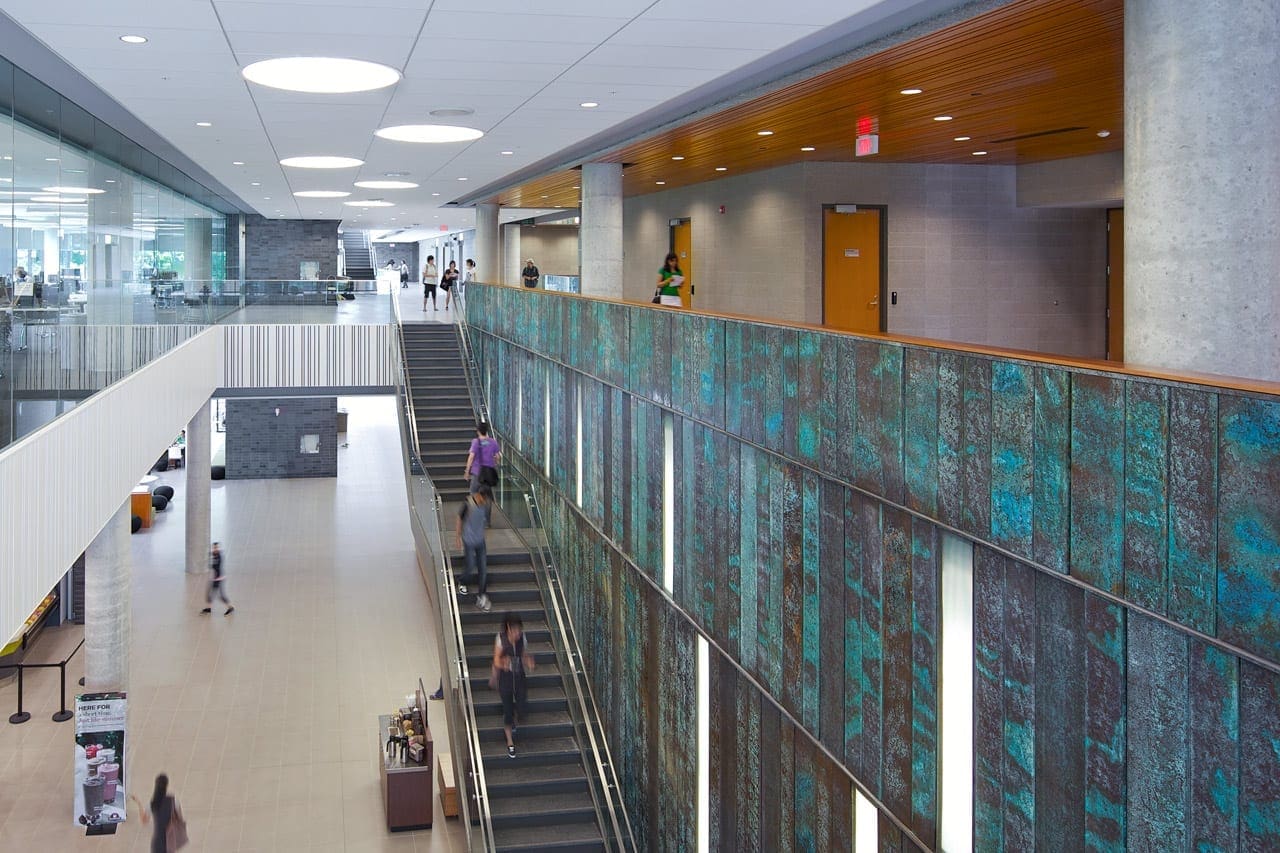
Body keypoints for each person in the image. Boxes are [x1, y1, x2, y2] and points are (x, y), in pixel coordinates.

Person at [492, 612, 535, 758]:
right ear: (508, 629)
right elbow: (496, 660)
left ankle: (515, 718)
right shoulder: (501, 640)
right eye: (514, 630)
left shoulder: (523, 639)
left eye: (519, 629)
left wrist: (528, 661)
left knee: (522, 706)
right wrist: (503, 665)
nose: (517, 633)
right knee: (508, 711)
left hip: (519, 678)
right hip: (506, 680)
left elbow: (523, 654)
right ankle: (510, 742)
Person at [456, 485, 492, 611]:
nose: (486, 502)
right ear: (479, 496)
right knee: (470, 564)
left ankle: (482, 595)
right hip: (469, 540)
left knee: (483, 568)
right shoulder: (468, 504)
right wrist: (458, 537)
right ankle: (462, 581)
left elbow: (483, 521)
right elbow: (460, 519)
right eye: (485, 499)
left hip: (480, 540)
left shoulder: (486, 505)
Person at [130, 773, 186, 853]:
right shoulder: (174, 801)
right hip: (170, 841)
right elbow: (180, 817)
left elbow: (144, 821)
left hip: (158, 842)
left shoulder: (152, 804)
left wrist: (139, 803)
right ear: (167, 785)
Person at [464, 421, 501, 525]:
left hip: (477, 473)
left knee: (473, 493)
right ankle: (487, 521)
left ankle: (475, 517)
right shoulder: (493, 442)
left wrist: (467, 471)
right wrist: (495, 463)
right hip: (489, 474)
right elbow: (498, 457)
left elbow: (471, 457)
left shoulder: (476, 442)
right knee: (487, 497)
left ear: (478, 431)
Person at [200, 542, 233, 616]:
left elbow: (215, 566)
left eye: (216, 548)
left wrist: (211, 561)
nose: (215, 549)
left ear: (218, 548)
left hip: (218, 579)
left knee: (219, 595)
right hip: (214, 578)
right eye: (214, 548)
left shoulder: (219, 557)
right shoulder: (214, 555)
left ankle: (230, 608)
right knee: (209, 594)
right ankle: (209, 608)